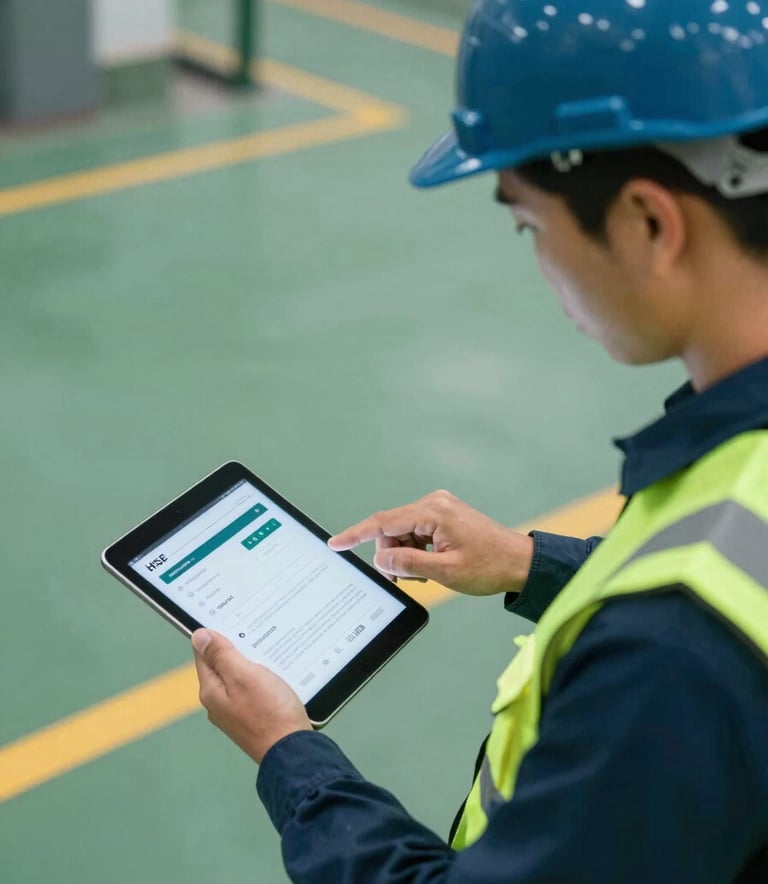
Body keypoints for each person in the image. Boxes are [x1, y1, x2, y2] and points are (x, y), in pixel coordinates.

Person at [190, 1, 768, 880]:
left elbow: (700, 629)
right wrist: (528, 562)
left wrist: (288, 755)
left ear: (651, 223)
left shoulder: (665, 658)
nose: (538, 264)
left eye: (529, 225)